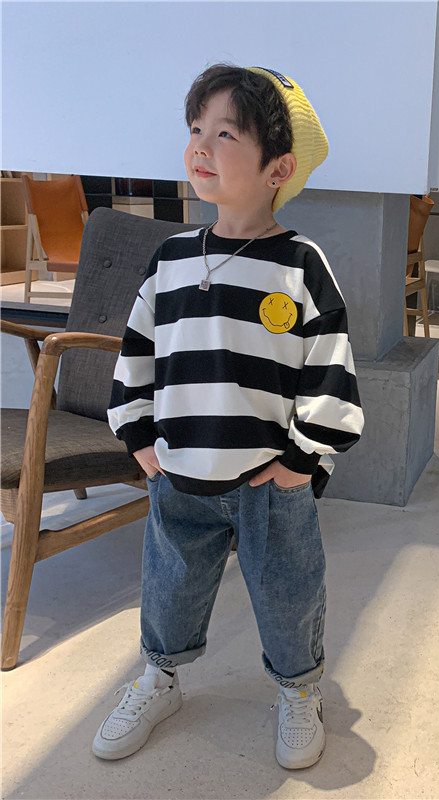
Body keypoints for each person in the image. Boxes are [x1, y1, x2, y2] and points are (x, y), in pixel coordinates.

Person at [94, 64, 363, 770]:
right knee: (169, 585)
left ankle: (299, 690)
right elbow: (138, 352)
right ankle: (160, 678)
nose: (200, 146)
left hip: (270, 481)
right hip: (177, 470)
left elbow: (329, 366)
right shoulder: (171, 258)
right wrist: (139, 437)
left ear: (279, 168)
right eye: (195, 129)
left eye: (225, 133)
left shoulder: (300, 265)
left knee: (288, 590)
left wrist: (301, 461)